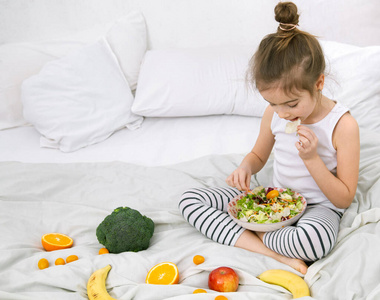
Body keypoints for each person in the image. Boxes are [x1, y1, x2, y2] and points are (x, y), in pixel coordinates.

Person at [178, 1, 359, 274]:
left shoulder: (342, 125)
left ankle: (254, 235)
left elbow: (344, 199)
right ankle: (272, 251)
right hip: (273, 200)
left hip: (318, 206)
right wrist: (245, 168)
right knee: (190, 201)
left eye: (291, 103)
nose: (282, 113)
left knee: (315, 243)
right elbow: (259, 155)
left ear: (318, 83)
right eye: (272, 104)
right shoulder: (273, 114)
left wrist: (311, 158)